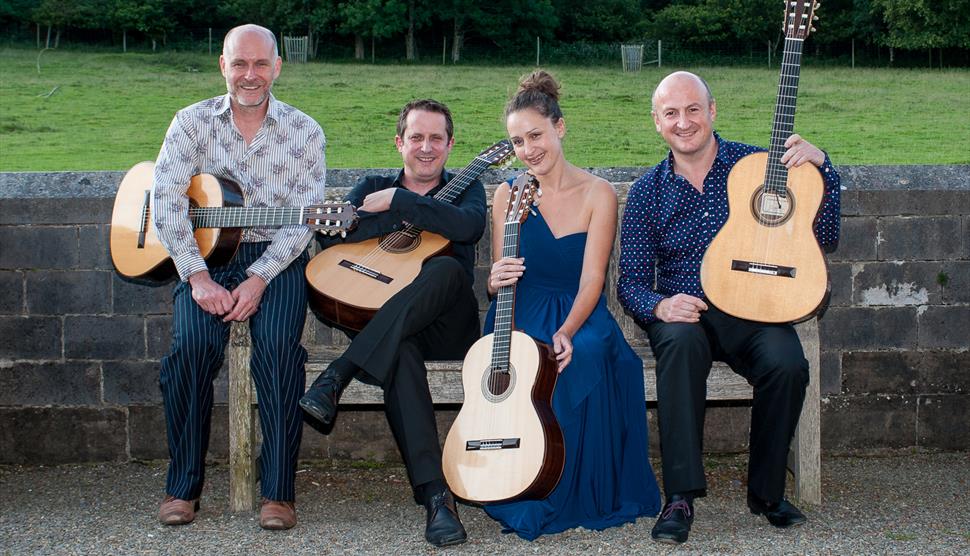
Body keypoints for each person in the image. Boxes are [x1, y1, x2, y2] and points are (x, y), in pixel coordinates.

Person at [617, 71, 841, 544]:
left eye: (693, 109)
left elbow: (821, 238)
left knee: (787, 364)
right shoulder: (645, 193)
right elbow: (631, 283)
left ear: (712, 111)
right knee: (678, 346)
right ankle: (679, 496)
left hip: (752, 306)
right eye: (671, 113)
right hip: (687, 310)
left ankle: (766, 493)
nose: (684, 122)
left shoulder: (759, 167)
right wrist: (660, 306)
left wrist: (824, 169)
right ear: (657, 122)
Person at [151, 24, 326, 530]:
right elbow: (166, 204)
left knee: (276, 352)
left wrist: (259, 278)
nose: (251, 74)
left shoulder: (304, 131)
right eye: (240, 63)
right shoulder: (190, 122)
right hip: (204, 259)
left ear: (277, 67)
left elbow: (305, 220)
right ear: (222, 65)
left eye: (261, 64)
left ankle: (278, 493)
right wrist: (198, 277)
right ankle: (181, 487)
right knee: (189, 352)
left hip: (275, 257)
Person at [483, 70, 661, 540]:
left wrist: (567, 329)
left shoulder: (597, 193)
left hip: (579, 307)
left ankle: (581, 487)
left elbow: (593, 280)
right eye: (518, 142)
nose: (528, 149)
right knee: (530, 359)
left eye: (536, 135)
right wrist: (494, 279)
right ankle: (527, 482)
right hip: (521, 308)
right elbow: (502, 274)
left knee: (590, 350)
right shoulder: (507, 194)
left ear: (559, 128)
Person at [298, 99, 485, 547]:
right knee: (399, 354)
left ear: (450, 144)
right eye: (416, 137)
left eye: (435, 138)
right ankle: (437, 497)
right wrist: (384, 212)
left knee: (446, 270)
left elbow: (467, 227)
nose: (426, 147)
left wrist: (402, 203)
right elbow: (334, 234)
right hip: (388, 329)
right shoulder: (372, 185)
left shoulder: (466, 189)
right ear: (399, 142)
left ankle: (338, 373)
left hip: (448, 330)